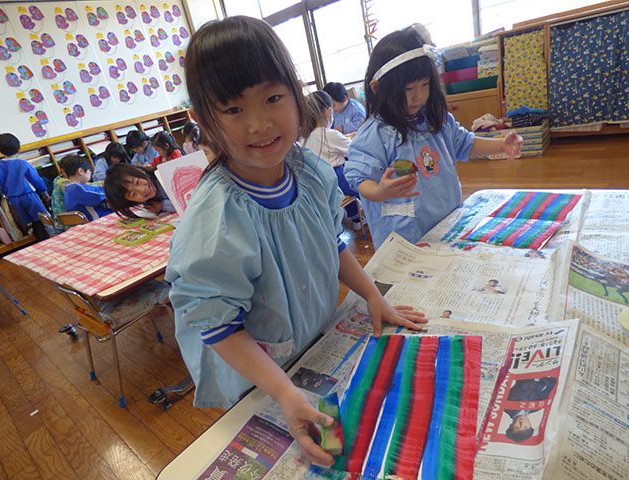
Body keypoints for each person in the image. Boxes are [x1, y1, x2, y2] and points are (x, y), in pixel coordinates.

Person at [165, 16, 427, 466]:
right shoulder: (216, 222)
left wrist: (371, 294)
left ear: (296, 92)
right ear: (203, 120)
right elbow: (218, 327)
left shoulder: (307, 170)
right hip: (260, 373)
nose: (259, 124)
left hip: (314, 341)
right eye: (233, 110)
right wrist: (284, 392)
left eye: (272, 98)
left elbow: (331, 242)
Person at [345, 26, 523, 250]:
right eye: (408, 88)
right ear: (378, 88)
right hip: (405, 239)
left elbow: (464, 143)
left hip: (447, 226)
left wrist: (501, 145)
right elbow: (361, 180)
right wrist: (382, 192)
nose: (419, 96)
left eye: (425, 84)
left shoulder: (435, 118)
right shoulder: (375, 134)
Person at [304, 90, 363, 230]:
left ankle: (351, 218)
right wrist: (355, 138)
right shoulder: (330, 135)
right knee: (359, 185)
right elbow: (353, 150)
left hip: (316, 183)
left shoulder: (304, 136)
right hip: (336, 178)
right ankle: (361, 218)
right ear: (328, 112)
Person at [0, 133, 50, 240]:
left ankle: (38, 238)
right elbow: (36, 179)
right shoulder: (23, 164)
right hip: (28, 195)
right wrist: (44, 192)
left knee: (30, 223)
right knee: (41, 219)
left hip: (13, 199)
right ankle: (46, 238)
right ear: (19, 149)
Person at [104, 163, 175, 217]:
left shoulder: (166, 177)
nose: (142, 190)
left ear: (141, 172)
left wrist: (162, 205)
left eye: (137, 182)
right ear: (131, 201)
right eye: (133, 194)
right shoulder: (151, 201)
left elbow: (181, 204)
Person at [504, 376, 557, 442]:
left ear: (511, 425)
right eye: (526, 427)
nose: (522, 423)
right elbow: (551, 389)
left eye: (517, 427)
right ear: (530, 425)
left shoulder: (507, 407)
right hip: (545, 376)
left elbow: (524, 386)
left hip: (528, 374)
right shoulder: (537, 408)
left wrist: (541, 378)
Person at [63, 155, 112, 222]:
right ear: (81, 171)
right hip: (96, 219)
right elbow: (97, 196)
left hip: (97, 216)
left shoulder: (71, 187)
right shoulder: (76, 188)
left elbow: (95, 189)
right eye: (90, 173)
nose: (91, 175)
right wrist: (112, 189)